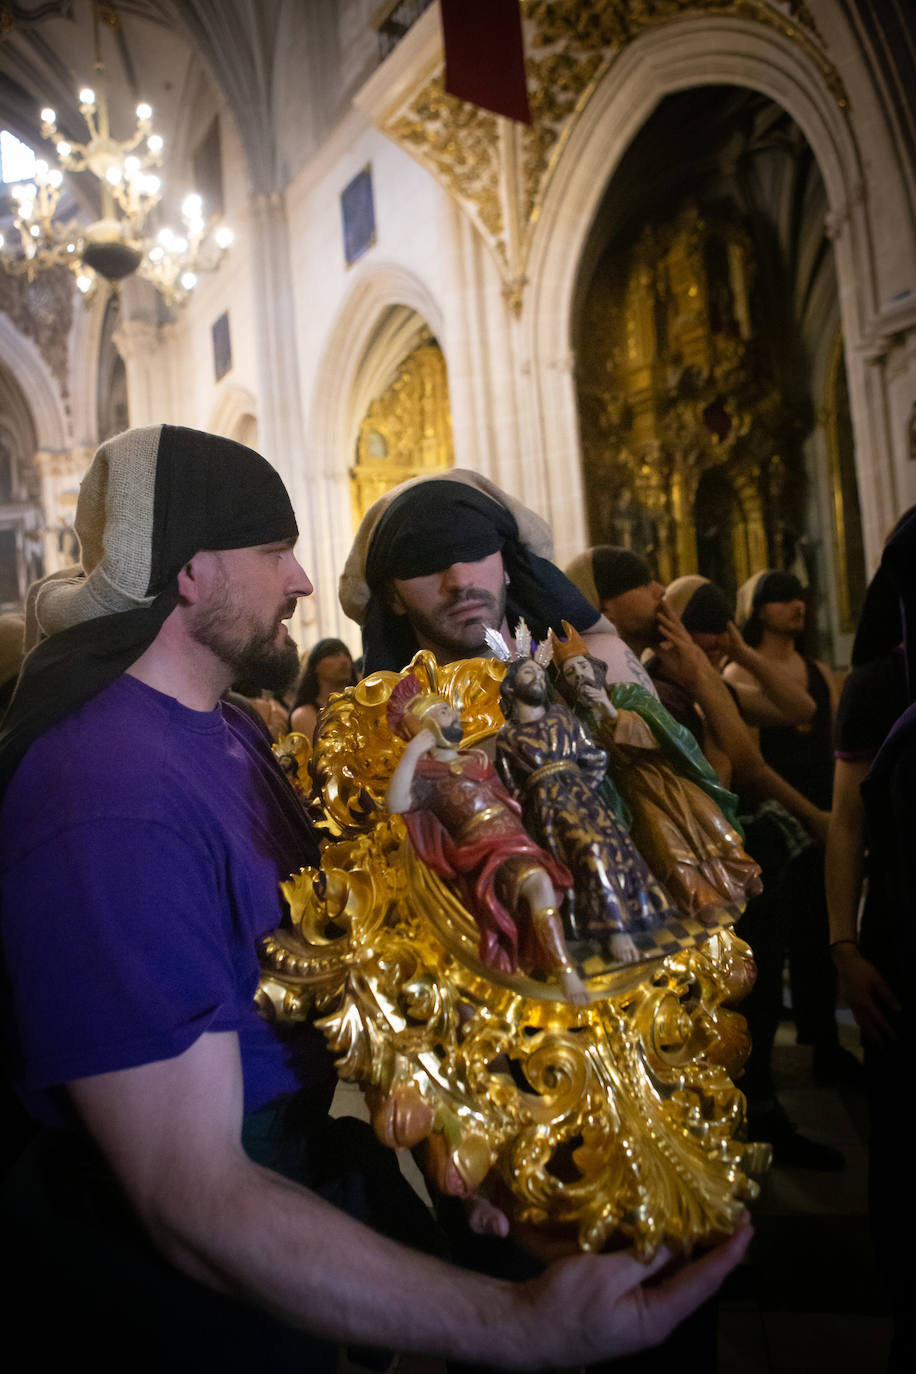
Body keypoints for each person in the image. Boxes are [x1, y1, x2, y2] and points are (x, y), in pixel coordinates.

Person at [0, 424, 749, 1369]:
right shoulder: (106, 795)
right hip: (175, 1313)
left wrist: (476, 1131)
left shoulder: (227, 732)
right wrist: (514, 1323)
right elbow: (189, 1195)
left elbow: (359, 950)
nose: (305, 582)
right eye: (276, 552)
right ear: (189, 572)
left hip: (285, 1233)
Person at [340, 471, 655, 690]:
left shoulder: (602, 665)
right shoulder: (386, 731)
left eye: (476, 551)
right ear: (393, 597)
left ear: (507, 566)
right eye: (425, 564)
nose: (460, 581)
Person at [385, 673, 587, 1004]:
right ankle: (566, 972)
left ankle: (573, 945)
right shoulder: (424, 777)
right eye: (444, 713)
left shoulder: (477, 759)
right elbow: (395, 804)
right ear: (426, 727)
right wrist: (413, 753)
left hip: (517, 835)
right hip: (483, 850)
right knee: (538, 882)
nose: (454, 715)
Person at [550, 623, 761, 923]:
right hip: (631, 789)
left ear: (595, 669)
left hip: (664, 774)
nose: (580, 677)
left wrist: (612, 712)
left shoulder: (626, 694)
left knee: (706, 816)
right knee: (662, 837)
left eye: (582, 667)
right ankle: (698, 896)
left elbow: (671, 734)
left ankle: (741, 872)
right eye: (571, 674)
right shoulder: (578, 723)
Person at [495, 655, 677, 964]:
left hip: (584, 799)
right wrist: (538, 804)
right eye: (528, 673)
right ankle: (613, 929)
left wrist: (580, 786)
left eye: (540, 673)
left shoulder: (564, 719)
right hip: (548, 811)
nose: (537, 677)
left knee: (616, 846)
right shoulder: (508, 738)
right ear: (512, 687)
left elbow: (593, 756)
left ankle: (636, 914)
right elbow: (511, 787)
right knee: (589, 849)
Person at [289, 636, 356, 738]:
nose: (344, 660)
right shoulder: (304, 715)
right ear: (315, 666)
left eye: (347, 655)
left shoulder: (361, 706)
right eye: (334, 655)